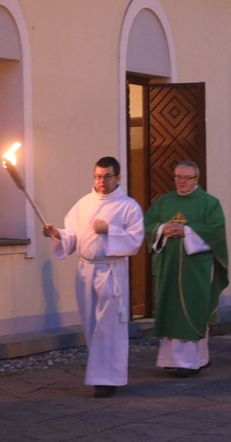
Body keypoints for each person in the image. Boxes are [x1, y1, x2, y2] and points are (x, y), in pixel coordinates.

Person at [42, 156, 144, 399]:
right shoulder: (84, 204)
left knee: (108, 327)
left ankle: (107, 379)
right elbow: (72, 235)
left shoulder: (128, 206)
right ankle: (101, 374)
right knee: (91, 323)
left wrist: (111, 230)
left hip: (110, 271)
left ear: (118, 177)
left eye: (107, 176)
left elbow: (136, 240)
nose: (101, 181)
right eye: (97, 176)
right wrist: (56, 233)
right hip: (86, 270)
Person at [144, 161, 228, 379]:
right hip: (168, 266)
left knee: (191, 309)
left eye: (186, 178)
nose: (180, 181)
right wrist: (163, 229)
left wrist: (187, 231)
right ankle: (172, 360)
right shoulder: (163, 201)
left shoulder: (210, 203)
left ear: (196, 179)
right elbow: (148, 223)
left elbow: (216, 231)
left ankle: (191, 361)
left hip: (196, 269)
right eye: (177, 177)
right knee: (170, 309)